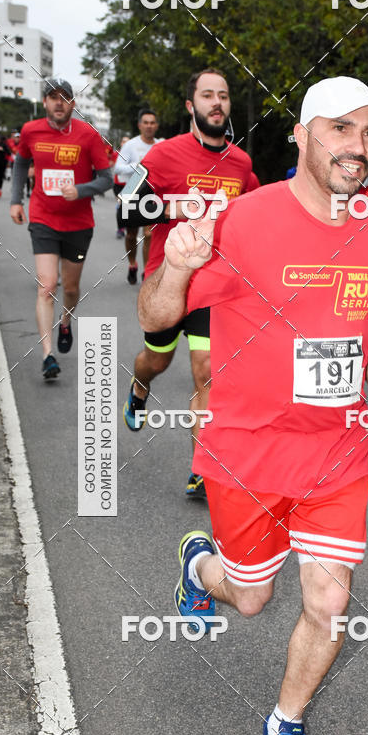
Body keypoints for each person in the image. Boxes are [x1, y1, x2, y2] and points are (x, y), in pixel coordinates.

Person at [138, 76, 368, 735]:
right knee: (251, 596)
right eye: (342, 129)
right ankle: (202, 568)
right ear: (302, 135)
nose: (359, 147)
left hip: (337, 454)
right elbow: (155, 318)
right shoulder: (243, 220)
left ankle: (284, 726)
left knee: (329, 601)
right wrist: (180, 264)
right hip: (248, 452)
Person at [123, 68, 253, 500]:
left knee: (207, 371)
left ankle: (202, 466)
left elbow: (255, 217)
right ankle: (139, 387)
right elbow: (127, 211)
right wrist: (174, 207)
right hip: (168, 281)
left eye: (223, 95)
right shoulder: (163, 156)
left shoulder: (241, 164)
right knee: (155, 362)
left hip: (213, 285)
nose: (217, 102)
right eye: (207, 95)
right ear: (190, 106)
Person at [10, 77, 113, 380]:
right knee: (47, 286)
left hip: (79, 224)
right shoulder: (31, 131)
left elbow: (106, 179)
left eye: (64, 97)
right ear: (44, 103)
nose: (59, 102)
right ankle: (48, 354)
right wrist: (16, 200)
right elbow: (19, 164)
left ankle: (66, 321)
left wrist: (81, 190)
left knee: (69, 288)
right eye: (53, 97)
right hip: (42, 217)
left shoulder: (88, 135)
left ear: (73, 103)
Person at [113, 110, 161, 283]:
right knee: (131, 234)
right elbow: (118, 168)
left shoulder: (160, 145)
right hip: (132, 188)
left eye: (152, 122)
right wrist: (138, 166)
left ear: (157, 126)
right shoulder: (131, 145)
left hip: (152, 191)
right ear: (140, 125)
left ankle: (146, 271)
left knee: (149, 234)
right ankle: (132, 264)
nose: (149, 126)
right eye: (146, 122)